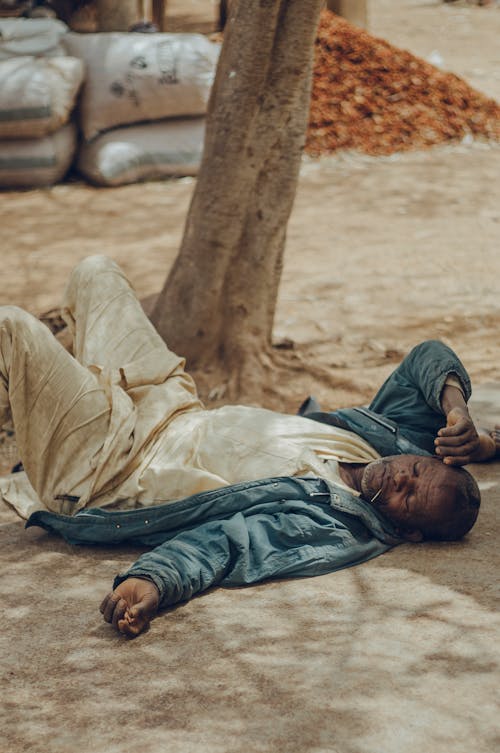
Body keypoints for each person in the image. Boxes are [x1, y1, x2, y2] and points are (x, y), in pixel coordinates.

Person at [0, 256, 490, 636]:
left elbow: (233, 543)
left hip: (108, 463)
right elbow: (429, 356)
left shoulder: (329, 524)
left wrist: (154, 580)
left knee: (12, 328)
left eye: (408, 497)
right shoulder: (387, 436)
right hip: (167, 401)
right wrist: (459, 413)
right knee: (95, 272)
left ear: (409, 534)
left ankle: (53, 400)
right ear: (426, 456)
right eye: (417, 472)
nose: (401, 478)